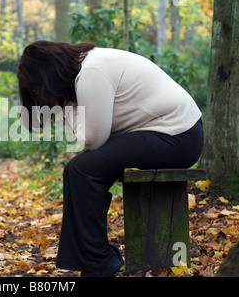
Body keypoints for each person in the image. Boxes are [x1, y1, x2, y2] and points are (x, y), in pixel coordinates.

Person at [17, 40, 204, 277]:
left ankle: (98, 263)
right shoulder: (87, 68)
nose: (41, 95)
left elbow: (93, 139)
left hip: (178, 135)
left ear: (49, 74)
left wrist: (64, 107)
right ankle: (94, 262)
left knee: (82, 170)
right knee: (78, 169)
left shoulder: (91, 71)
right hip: (168, 133)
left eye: (38, 88)